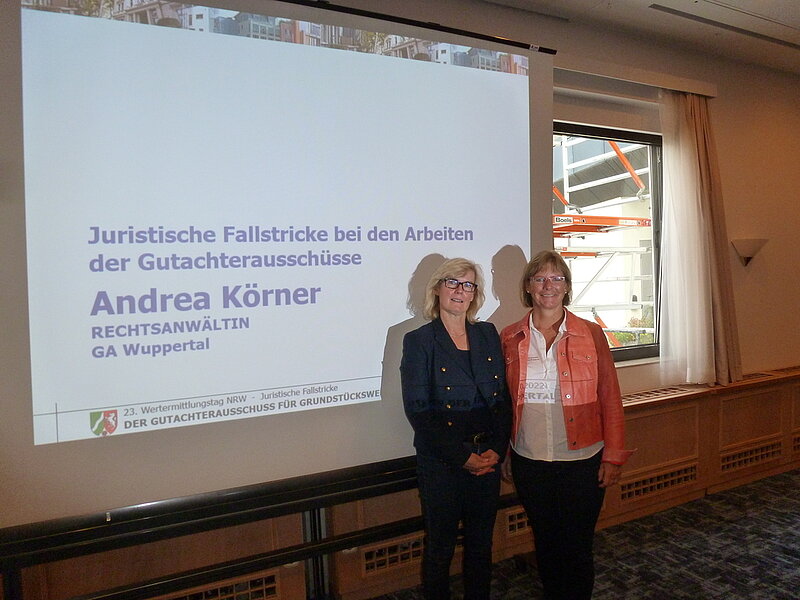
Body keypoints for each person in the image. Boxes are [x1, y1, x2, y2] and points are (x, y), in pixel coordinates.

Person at [500, 250, 634, 600]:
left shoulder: (591, 333)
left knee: (576, 546)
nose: (549, 285)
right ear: (528, 286)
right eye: (540, 278)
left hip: (582, 461)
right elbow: (505, 404)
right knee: (545, 542)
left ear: (567, 286)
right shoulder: (510, 337)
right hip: (530, 460)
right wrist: (507, 452)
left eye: (557, 278)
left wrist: (613, 455)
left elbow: (610, 397)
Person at [401, 257, 512, 600]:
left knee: (481, 545)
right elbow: (419, 410)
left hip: (487, 457)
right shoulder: (419, 340)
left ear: (475, 294)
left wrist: (497, 448)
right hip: (443, 462)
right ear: (437, 289)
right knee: (441, 547)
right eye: (452, 282)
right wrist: (463, 457)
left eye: (468, 285)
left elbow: (502, 398)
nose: (460, 291)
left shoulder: (487, 333)